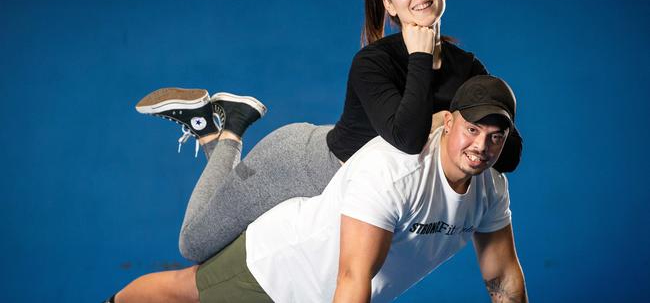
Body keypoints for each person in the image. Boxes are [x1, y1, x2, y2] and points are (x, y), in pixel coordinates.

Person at [134, 0, 523, 264]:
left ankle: (219, 126)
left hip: (349, 196)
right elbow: (406, 141)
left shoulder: (468, 67)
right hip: (298, 168)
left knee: (242, 256)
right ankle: (228, 129)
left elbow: (507, 154)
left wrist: (443, 118)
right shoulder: (373, 62)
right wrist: (422, 61)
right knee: (196, 247)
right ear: (388, 4)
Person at [108, 75, 528, 303]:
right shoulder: (398, 173)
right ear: (448, 122)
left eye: (496, 137)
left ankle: (223, 134)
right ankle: (224, 136)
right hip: (278, 273)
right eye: (472, 130)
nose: (481, 146)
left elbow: (503, 275)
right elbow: (352, 276)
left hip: (322, 288)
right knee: (184, 285)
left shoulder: (491, 189)